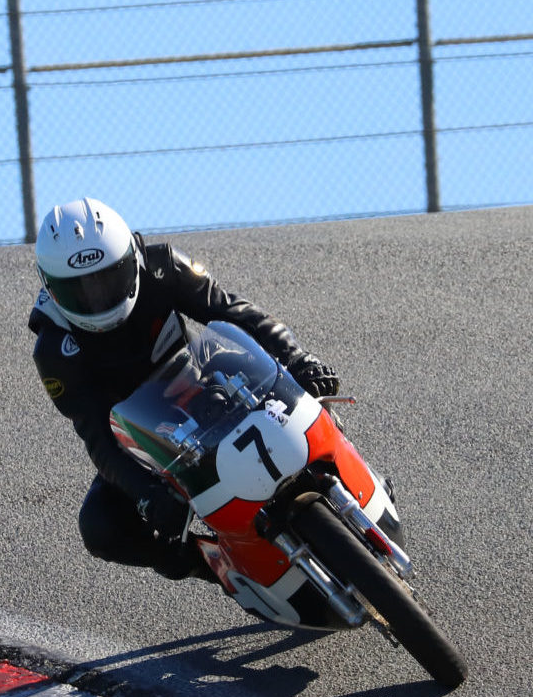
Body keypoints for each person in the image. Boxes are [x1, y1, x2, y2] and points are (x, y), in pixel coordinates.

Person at [27, 197, 342, 582]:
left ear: (131, 258)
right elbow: (97, 438)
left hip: (209, 378)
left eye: (109, 279)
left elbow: (235, 313)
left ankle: (342, 469)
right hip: (146, 441)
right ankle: (217, 566)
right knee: (100, 526)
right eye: (81, 291)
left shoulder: (163, 267)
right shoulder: (54, 350)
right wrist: (145, 493)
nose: (98, 298)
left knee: (299, 385)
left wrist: (297, 359)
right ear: (51, 288)